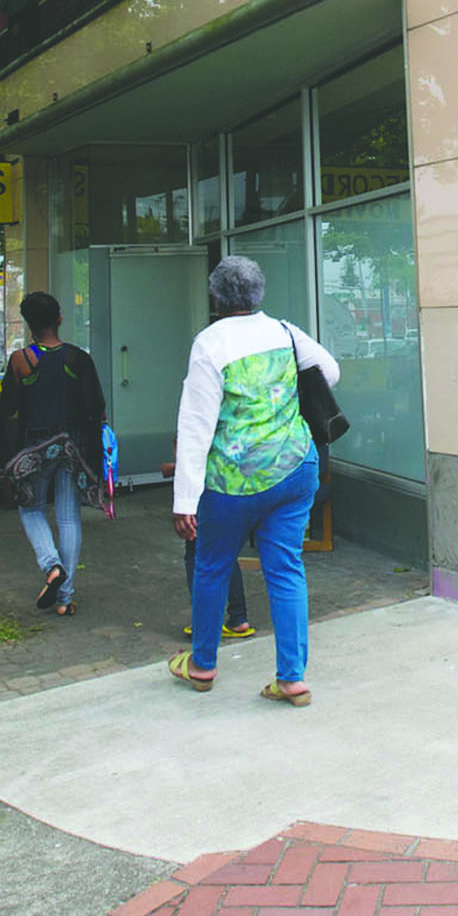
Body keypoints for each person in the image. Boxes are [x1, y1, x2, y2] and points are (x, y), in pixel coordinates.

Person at [168, 255, 336, 705]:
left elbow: (196, 425)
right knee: (285, 569)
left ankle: (202, 665)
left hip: (233, 483)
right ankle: (291, 678)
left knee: (212, 565)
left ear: (216, 297)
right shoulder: (285, 331)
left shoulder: (210, 343)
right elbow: (330, 372)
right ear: (259, 293)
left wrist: (185, 500)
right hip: (294, 469)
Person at [0, 291, 107, 617]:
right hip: (72, 448)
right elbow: (94, 406)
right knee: (69, 518)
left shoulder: (20, 361)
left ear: (29, 325)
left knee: (31, 511)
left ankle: (51, 564)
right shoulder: (78, 358)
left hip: (34, 448)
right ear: (60, 318)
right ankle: (65, 599)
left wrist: (6, 455)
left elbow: (8, 409)